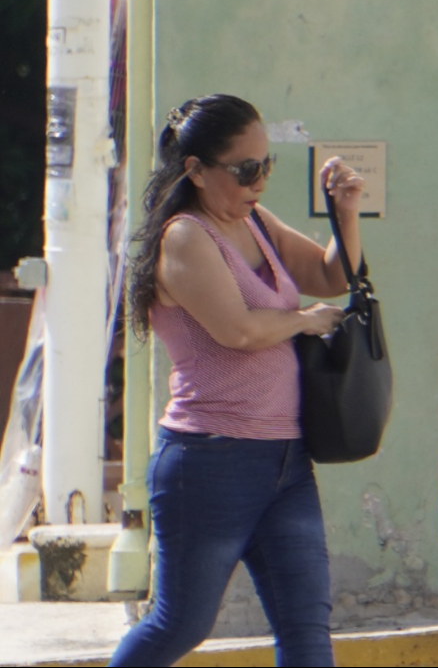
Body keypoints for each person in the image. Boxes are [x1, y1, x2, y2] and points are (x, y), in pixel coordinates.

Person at [111, 94, 365, 668]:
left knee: (307, 632)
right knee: (180, 626)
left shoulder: (252, 221)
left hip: (285, 461)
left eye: (266, 166)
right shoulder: (185, 237)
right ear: (195, 170)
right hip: (210, 462)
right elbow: (239, 331)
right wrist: (301, 320)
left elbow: (329, 276)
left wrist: (343, 213)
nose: (259, 182)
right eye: (246, 169)